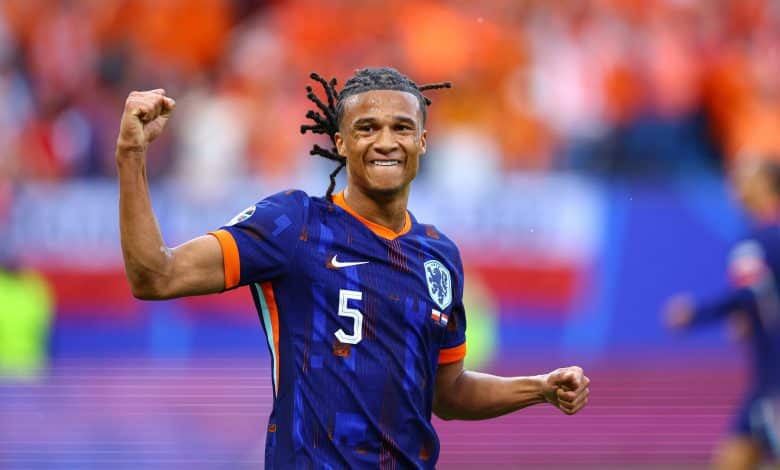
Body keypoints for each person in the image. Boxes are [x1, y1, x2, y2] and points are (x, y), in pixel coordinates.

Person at [115, 67, 590, 468]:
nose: (386, 142)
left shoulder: (438, 257)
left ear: (422, 141)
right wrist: (131, 155)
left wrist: (538, 388)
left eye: (401, 128)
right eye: (367, 128)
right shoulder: (295, 224)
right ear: (340, 142)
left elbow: (447, 394)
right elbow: (156, 275)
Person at [664, 159, 780, 470]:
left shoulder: (757, 240)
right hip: (765, 379)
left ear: (767, 185)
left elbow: (751, 292)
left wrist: (695, 314)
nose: (736, 184)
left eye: (746, 176)